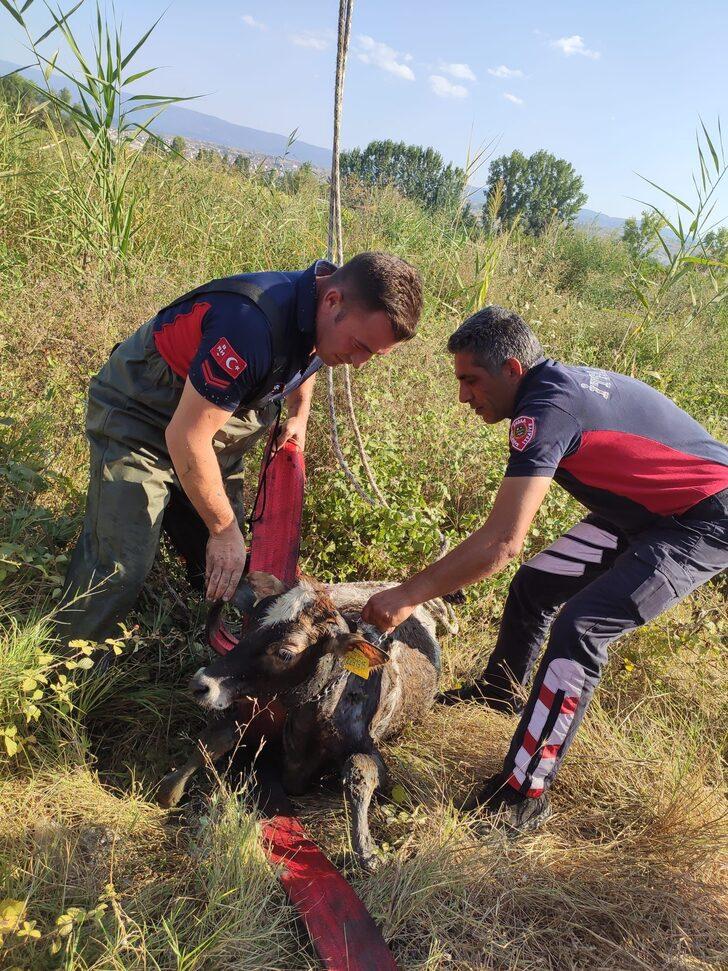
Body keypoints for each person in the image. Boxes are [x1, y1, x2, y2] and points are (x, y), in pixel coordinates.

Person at [361, 305, 728, 834]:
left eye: (472, 380)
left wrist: (407, 594)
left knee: (582, 626)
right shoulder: (548, 390)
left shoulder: (547, 408)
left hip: (701, 518)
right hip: (641, 511)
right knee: (536, 584)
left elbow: (502, 542)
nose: (464, 396)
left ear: (512, 368)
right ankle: (500, 691)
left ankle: (524, 794)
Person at [58, 252, 422, 643]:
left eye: (373, 354)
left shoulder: (325, 319)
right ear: (332, 301)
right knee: (122, 562)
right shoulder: (250, 324)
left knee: (233, 565)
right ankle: (66, 667)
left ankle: (225, 649)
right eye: (359, 346)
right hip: (143, 414)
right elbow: (186, 437)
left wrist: (299, 414)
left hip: (213, 418)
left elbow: (309, 355)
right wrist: (223, 529)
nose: (359, 362)